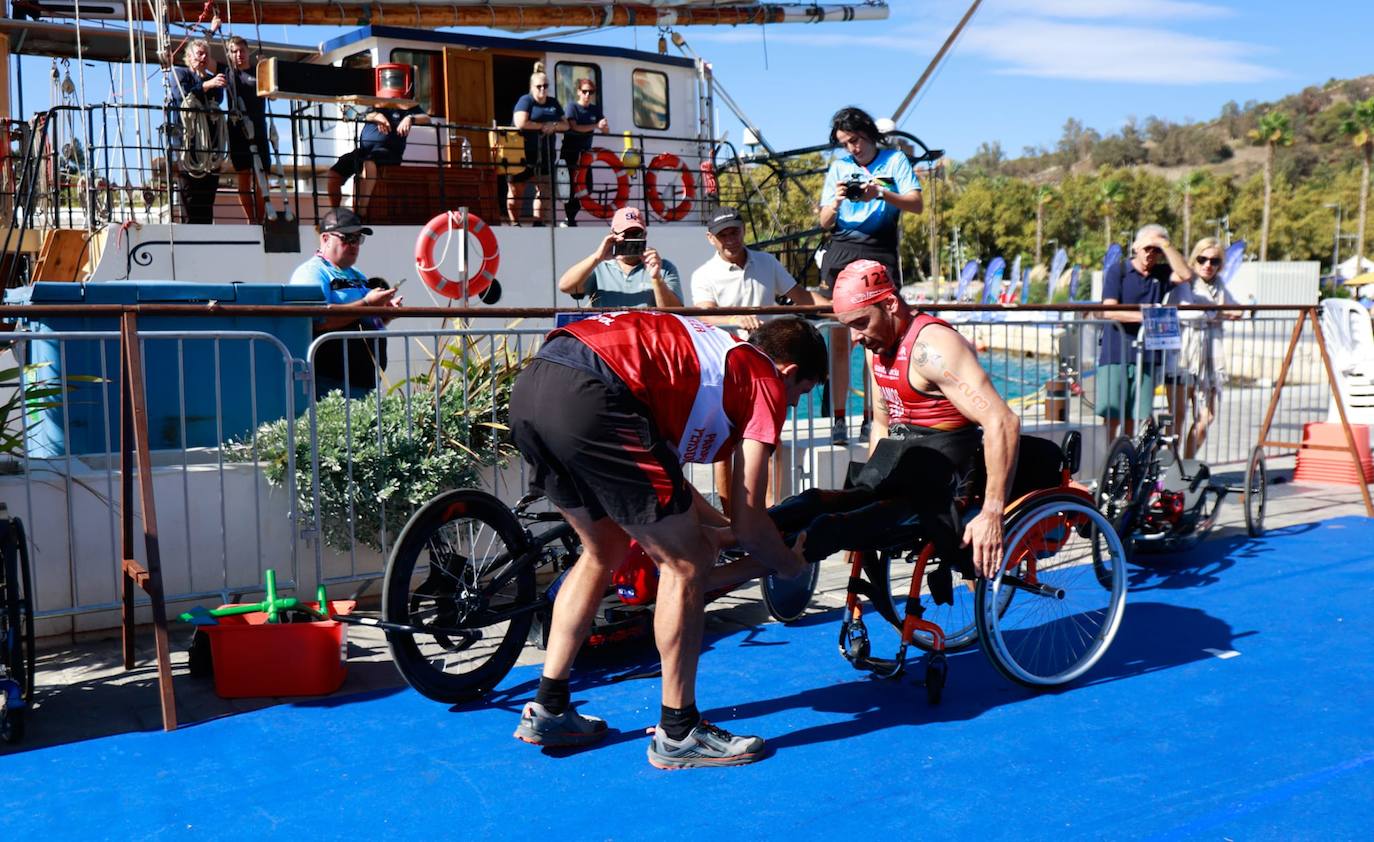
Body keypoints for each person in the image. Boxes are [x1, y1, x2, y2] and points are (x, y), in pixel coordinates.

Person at [507, 311, 827, 768]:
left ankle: (549, 705)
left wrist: (721, 534)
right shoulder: (764, 378)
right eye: (802, 394)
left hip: (537, 385)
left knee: (605, 550)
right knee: (684, 565)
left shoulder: (712, 358)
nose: (792, 405)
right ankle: (679, 732)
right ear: (790, 373)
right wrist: (788, 564)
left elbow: (669, 481)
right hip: (595, 394)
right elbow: (753, 519)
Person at [691, 206, 816, 513]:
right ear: (711, 238)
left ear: (742, 230)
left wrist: (844, 308)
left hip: (769, 367)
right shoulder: (703, 275)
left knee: (772, 439)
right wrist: (736, 318)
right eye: (723, 234)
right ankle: (730, 517)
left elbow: (804, 298)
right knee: (726, 445)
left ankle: (773, 513)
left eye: (734, 230)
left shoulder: (767, 262)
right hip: (728, 371)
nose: (731, 238)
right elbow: (705, 319)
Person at [816, 107, 923, 445]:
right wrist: (835, 202)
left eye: (856, 140)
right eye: (845, 143)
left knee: (875, 339)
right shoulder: (840, 167)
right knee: (839, 339)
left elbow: (916, 204)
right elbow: (823, 223)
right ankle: (838, 418)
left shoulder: (894, 161)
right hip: (841, 251)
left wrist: (880, 194)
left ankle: (874, 417)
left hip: (880, 250)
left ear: (869, 135)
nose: (852, 149)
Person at [290, 208, 402, 398]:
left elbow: (365, 320)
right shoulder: (312, 273)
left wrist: (386, 314)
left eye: (357, 239)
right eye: (347, 238)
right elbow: (318, 321)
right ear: (325, 239)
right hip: (331, 382)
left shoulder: (356, 274)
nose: (354, 245)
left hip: (362, 380)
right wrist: (367, 303)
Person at [1097, 224, 1193, 441]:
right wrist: (1147, 316)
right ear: (1136, 247)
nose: (1151, 253)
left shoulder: (1162, 273)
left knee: (1137, 415)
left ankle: (1127, 465)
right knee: (1111, 414)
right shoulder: (1118, 271)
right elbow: (1109, 310)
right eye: (1148, 247)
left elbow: (1186, 274)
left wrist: (1165, 244)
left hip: (1148, 355)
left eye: (1156, 249)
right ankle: (1107, 463)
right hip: (1116, 353)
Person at [1167, 237, 1241, 458]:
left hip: (1208, 362)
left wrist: (1218, 312)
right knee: (1177, 417)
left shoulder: (1219, 286)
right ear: (1194, 259)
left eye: (1214, 261)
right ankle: (1166, 467)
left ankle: (1188, 464)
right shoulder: (1184, 283)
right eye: (1203, 259)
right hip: (1183, 358)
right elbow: (1189, 312)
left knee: (1206, 416)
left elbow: (1237, 309)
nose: (1208, 265)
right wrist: (1218, 313)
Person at [326, 86, 429, 210]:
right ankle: (335, 213)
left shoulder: (406, 105)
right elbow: (351, 112)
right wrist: (375, 115)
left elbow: (427, 118)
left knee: (369, 162)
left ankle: (361, 211)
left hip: (389, 152)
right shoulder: (373, 104)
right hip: (364, 151)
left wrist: (410, 118)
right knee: (333, 174)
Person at [558, 206, 683, 308]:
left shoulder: (663, 267)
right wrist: (597, 257)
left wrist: (656, 278)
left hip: (647, 336)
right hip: (609, 335)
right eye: (626, 234)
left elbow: (676, 313)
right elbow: (565, 287)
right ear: (613, 235)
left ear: (645, 235)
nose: (631, 239)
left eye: (636, 233)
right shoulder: (598, 268)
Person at [167, 38, 227, 224]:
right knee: (190, 196)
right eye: (199, 54)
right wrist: (206, 85)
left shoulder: (212, 78)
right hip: (188, 144)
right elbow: (183, 96)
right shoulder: (179, 74)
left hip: (210, 147)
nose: (203, 57)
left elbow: (218, 98)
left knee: (207, 197)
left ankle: (206, 232)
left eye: (206, 54)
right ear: (189, 57)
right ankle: (190, 231)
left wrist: (209, 81)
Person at [508, 63, 568, 226]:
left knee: (544, 191)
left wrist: (553, 126)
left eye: (546, 86)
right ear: (532, 87)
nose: (542, 89)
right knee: (517, 190)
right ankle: (514, 223)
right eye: (539, 86)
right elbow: (520, 122)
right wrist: (543, 126)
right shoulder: (525, 100)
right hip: (523, 154)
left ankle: (538, 222)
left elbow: (566, 125)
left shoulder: (553, 102)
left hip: (546, 154)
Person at [223, 35, 271, 223]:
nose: (238, 54)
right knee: (243, 175)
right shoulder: (227, 73)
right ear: (229, 54)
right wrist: (212, 30)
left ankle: (261, 218)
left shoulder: (258, 73)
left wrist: (267, 69)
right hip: (237, 129)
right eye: (234, 51)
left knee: (262, 176)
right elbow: (204, 61)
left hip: (259, 128)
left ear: (247, 51)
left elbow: (272, 96)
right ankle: (252, 220)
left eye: (241, 50)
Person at [558, 76, 608, 227]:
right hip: (570, 153)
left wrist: (604, 126)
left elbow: (605, 130)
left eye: (591, 92)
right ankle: (570, 218)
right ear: (578, 92)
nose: (587, 95)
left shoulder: (595, 109)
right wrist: (596, 126)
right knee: (570, 187)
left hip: (586, 154)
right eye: (585, 91)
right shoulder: (572, 107)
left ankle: (574, 213)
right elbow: (574, 127)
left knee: (588, 186)